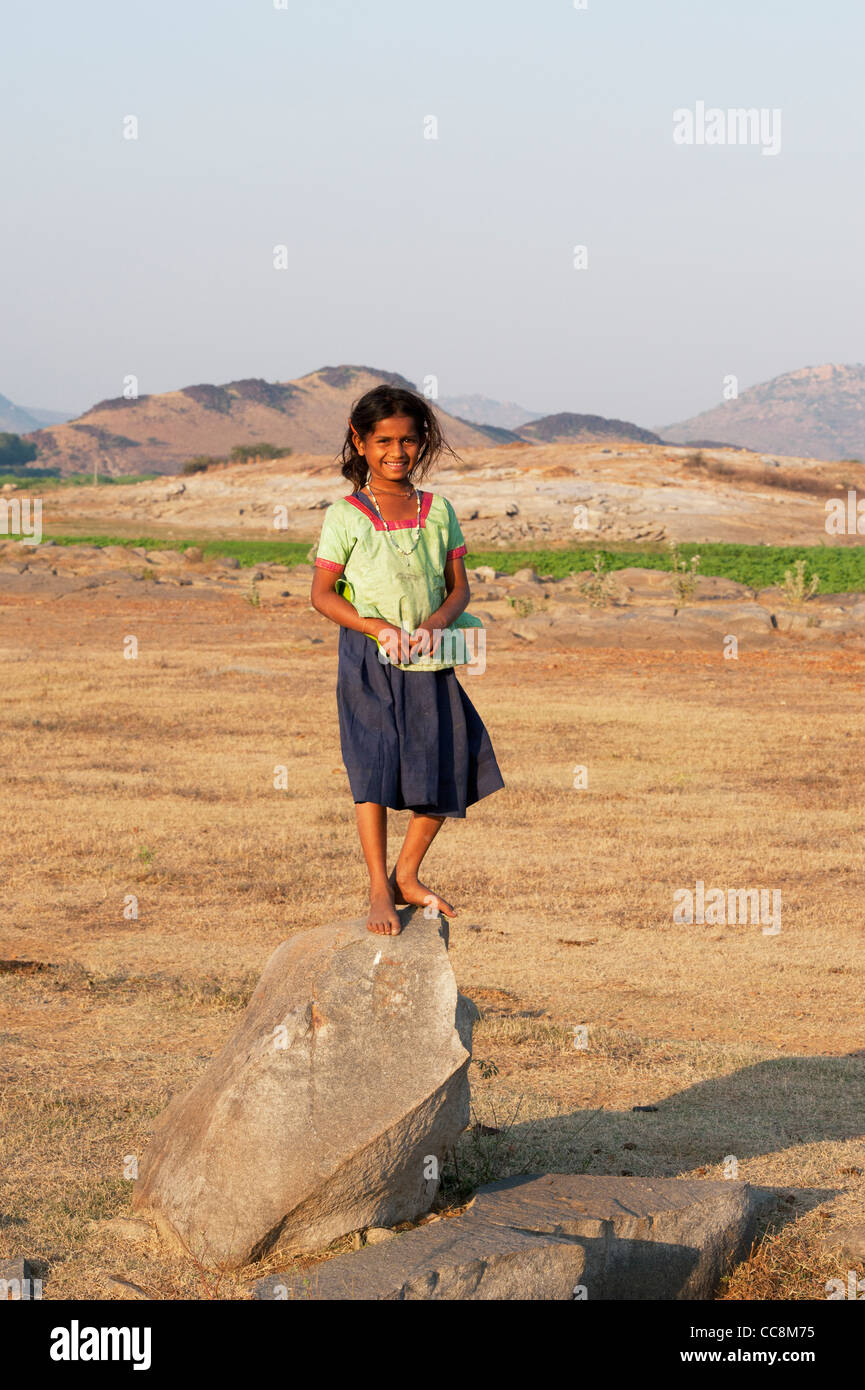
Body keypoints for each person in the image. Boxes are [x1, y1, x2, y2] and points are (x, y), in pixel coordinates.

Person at [310, 384, 505, 936]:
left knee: (450, 764)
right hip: (369, 661)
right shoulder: (344, 516)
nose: (398, 452)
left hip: (430, 657)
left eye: (409, 441)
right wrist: (374, 626)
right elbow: (322, 595)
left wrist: (434, 625)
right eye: (384, 441)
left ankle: (407, 875)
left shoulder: (438, 510)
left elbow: (458, 588)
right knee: (373, 767)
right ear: (360, 440)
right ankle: (378, 887)